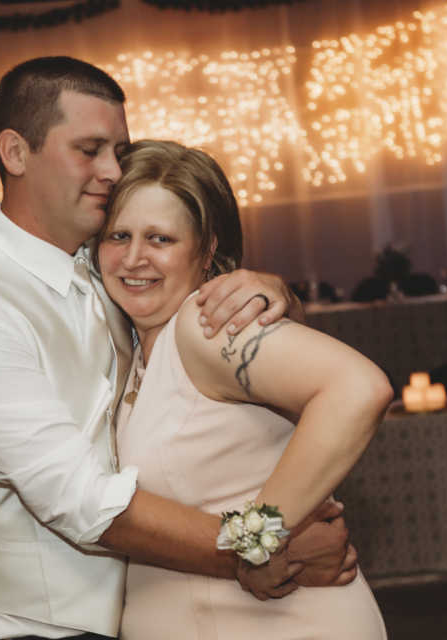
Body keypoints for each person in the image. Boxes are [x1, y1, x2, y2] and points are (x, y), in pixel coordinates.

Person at [0, 56, 353, 640]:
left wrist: (275, 294)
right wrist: (259, 549)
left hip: (140, 610)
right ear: (14, 153)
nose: (113, 170)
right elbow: (84, 501)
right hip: (30, 628)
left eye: (118, 149)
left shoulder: (101, 266)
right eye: (89, 149)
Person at [97, 140, 391, 637]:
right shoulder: (127, 350)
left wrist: (254, 542)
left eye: (160, 239)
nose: (133, 258)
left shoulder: (202, 326)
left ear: (207, 249)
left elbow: (357, 389)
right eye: (118, 235)